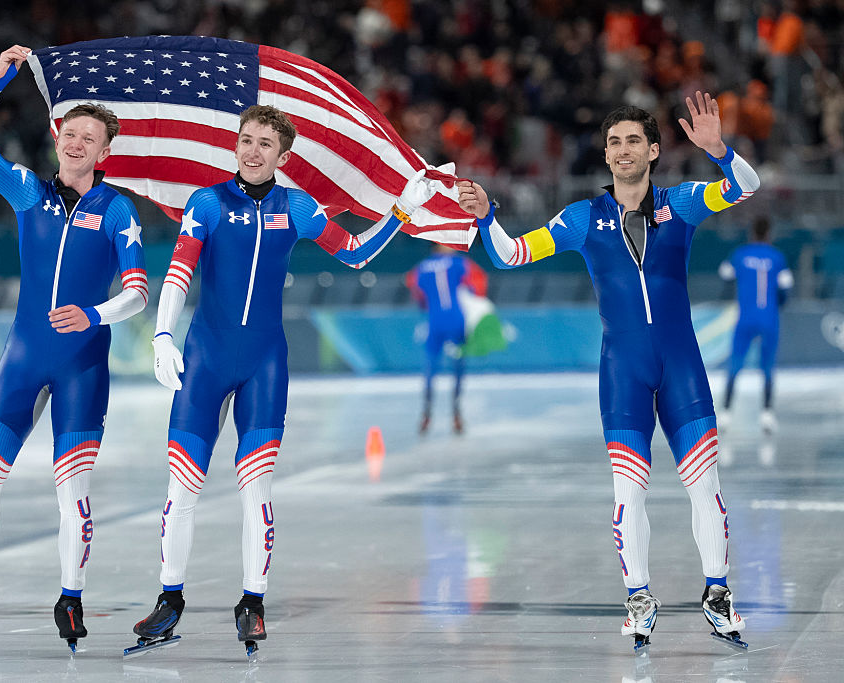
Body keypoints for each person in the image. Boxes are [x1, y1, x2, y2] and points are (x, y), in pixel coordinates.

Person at [134, 104, 440, 653]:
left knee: (257, 489)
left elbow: (354, 254)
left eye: (265, 144)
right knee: (183, 488)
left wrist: (402, 211)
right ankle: (169, 600)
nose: (252, 152)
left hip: (265, 365)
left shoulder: (297, 207)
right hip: (205, 360)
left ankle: (252, 603)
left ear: (283, 155)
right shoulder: (207, 202)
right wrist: (162, 335)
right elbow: (179, 271)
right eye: (246, 140)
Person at [458, 92, 758, 649]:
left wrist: (719, 151)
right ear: (605, 153)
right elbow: (509, 255)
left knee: (705, 487)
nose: (623, 150)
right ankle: (639, 598)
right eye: (614, 142)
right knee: (628, 494)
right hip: (623, 374)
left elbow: (745, 186)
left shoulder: (682, 203)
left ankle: (717, 594)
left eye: (634, 141)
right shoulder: (581, 219)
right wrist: (486, 218)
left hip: (682, 369)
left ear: (654, 151)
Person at [0, 45, 149, 648]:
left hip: (82, 366)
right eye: (69, 133)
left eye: (88, 138)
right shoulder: (28, 191)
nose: (75, 143)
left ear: (105, 152)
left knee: (71, 490)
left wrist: (94, 314)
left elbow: (137, 292)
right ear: (57, 138)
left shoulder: (116, 210)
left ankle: (71, 596)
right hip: (24, 359)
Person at [718, 217, 793, 434]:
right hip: (769, 318)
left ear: (752, 232)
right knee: (767, 367)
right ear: (769, 233)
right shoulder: (777, 257)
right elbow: (786, 286)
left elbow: (725, 273)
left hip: (745, 317)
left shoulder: (740, 254)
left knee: (735, 364)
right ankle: (767, 414)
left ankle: (725, 413)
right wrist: (778, 304)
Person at [406, 242, 488, 435]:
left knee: (430, 368)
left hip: (434, 321)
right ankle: (456, 413)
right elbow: (478, 283)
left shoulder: (420, 268)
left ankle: (426, 413)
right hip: (456, 320)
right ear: (439, 244)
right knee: (458, 367)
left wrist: (427, 304)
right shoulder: (459, 262)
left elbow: (417, 294)